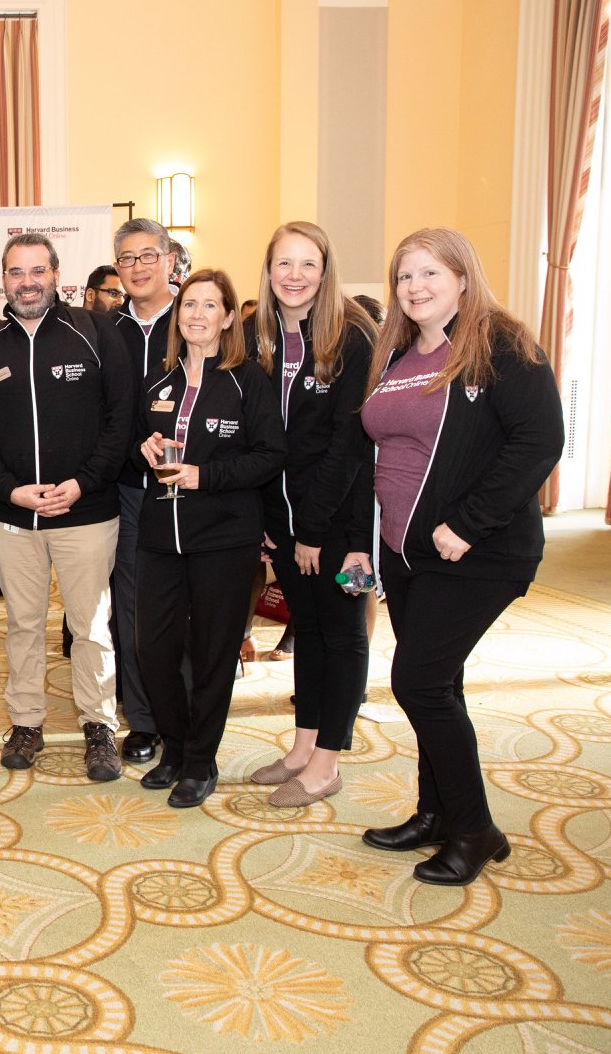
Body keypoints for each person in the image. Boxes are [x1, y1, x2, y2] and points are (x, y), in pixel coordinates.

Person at [351, 227, 562, 885]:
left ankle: (475, 830)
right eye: (405, 277)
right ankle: (435, 812)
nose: (415, 287)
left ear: (463, 278)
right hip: (407, 552)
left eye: (430, 274)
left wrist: (466, 524)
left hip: (478, 552)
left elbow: (538, 441)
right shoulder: (401, 352)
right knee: (441, 682)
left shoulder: (501, 344)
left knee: (418, 682)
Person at [0, 234, 132, 781]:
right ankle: (27, 721)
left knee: (90, 626)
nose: (27, 281)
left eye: (38, 270)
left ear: (57, 274)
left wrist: (82, 483)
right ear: (3, 279)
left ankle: (99, 725)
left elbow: (120, 421)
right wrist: (10, 490)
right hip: (12, 515)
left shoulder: (95, 332)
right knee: (23, 624)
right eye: (16, 272)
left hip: (87, 510)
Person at [134, 270, 285, 808]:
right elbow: (140, 443)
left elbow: (270, 456)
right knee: (152, 650)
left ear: (227, 317)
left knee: (212, 653)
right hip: (160, 536)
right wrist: (147, 449)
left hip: (223, 538)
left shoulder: (249, 379)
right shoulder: (159, 381)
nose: (196, 314)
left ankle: (200, 761)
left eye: (209, 305)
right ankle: (174, 748)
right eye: (188, 305)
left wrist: (206, 475)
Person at [247, 223, 378, 806]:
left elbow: (349, 446)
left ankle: (328, 763)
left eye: (307, 264)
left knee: (344, 635)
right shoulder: (264, 336)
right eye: (284, 264)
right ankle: (303, 746)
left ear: (325, 271)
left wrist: (313, 531)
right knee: (312, 633)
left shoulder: (352, 338)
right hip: (290, 525)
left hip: (346, 527)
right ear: (269, 270)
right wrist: (279, 529)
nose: (294, 276)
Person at [108, 218, 179, 765]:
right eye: (126, 259)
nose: (137, 267)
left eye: (147, 256)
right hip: (131, 489)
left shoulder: (198, 315)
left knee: (191, 608)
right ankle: (144, 719)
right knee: (131, 608)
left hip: (195, 490)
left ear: (170, 257)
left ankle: (189, 715)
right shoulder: (105, 329)